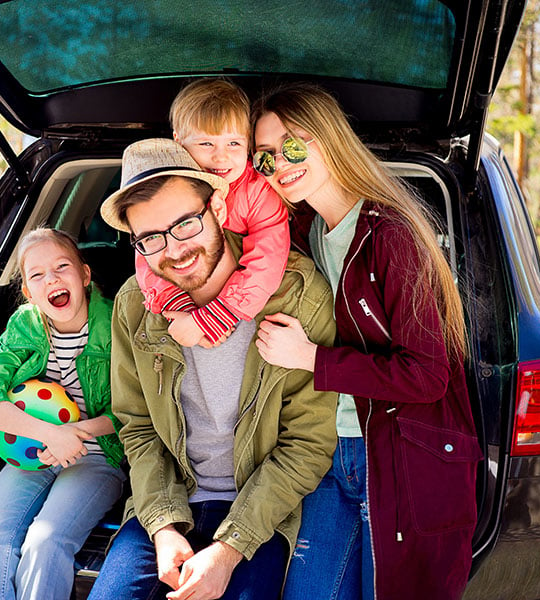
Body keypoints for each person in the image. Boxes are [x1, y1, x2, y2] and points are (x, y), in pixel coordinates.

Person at [252, 83, 482, 600]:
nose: (280, 166)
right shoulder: (308, 232)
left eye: (292, 144)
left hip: (398, 458)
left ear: (329, 137)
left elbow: (427, 375)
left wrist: (311, 359)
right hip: (330, 453)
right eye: (265, 158)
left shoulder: (391, 235)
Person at [88, 138, 337, 600]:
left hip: (258, 511)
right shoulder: (134, 306)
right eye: (151, 238)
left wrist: (228, 547)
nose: (174, 250)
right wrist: (162, 526)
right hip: (167, 504)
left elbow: (308, 443)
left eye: (185, 223)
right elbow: (138, 428)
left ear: (218, 207)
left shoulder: (298, 294)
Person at [0, 228, 126, 600]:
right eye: (36, 275)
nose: (51, 279)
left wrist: (74, 433)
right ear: (28, 292)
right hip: (33, 453)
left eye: (61, 266)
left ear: (85, 275)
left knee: (45, 540)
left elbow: (135, 410)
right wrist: (48, 434)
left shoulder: (117, 322)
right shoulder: (25, 325)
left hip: (98, 454)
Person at [134, 78, 290, 347]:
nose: (221, 157)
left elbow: (269, 259)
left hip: (246, 313)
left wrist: (216, 316)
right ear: (178, 142)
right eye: (206, 144)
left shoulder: (258, 192)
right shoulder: (164, 193)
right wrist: (182, 309)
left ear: (249, 146)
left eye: (233, 144)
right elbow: (148, 256)